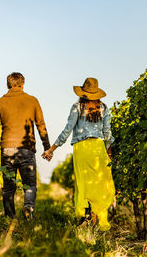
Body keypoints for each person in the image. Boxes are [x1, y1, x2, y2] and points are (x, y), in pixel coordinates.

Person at [42, 77, 115, 231]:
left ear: (82, 93)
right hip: (98, 147)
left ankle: (85, 216)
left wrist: (52, 149)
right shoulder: (104, 108)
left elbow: (67, 130)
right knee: (99, 183)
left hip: (81, 148)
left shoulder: (77, 107)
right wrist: (109, 149)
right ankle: (97, 217)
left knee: (83, 183)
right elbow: (107, 133)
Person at [0, 72, 50, 219]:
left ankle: (10, 218)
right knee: (29, 184)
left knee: (9, 187)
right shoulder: (32, 101)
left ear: (7, 85)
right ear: (23, 85)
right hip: (26, 148)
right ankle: (28, 206)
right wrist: (46, 147)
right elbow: (41, 125)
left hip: (7, 149)